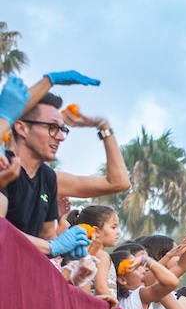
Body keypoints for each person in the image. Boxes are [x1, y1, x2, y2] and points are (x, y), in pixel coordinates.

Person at [3, 90, 128, 257]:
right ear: (22, 128)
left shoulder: (48, 177)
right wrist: (53, 246)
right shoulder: (4, 166)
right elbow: (2, 230)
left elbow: (119, 182)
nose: (60, 137)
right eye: (52, 128)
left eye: (63, 129)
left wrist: (103, 126)